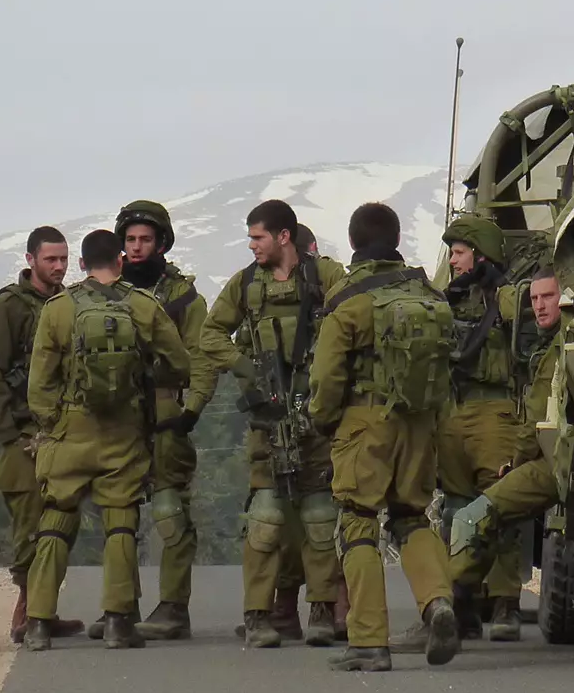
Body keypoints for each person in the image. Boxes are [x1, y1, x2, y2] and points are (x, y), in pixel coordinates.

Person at [308, 202, 460, 672]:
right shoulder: (430, 294)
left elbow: (327, 376)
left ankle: (369, 641)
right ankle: (437, 603)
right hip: (420, 422)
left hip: (365, 423)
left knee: (357, 521)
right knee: (412, 517)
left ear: (353, 244)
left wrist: (323, 420)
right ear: (396, 240)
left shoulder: (347, 298)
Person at [22, 228, 192, 650]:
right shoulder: (142, 305)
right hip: (124, 430)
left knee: (56, 520)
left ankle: (38, 623)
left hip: (70, 430)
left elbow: (39, 381)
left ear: (80, 264)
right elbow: (179, 363)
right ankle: (118, 621)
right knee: (120, 521)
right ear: (120, 260)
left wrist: (53, 425)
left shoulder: (58, 308)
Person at [196, 199, 346, 647]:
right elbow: (210, 335)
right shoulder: (245, 284)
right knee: (265, 518)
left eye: (258, 237)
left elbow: (356, 318)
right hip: (270, 417)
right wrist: (247, 370)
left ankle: (321, 608)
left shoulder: (326, 276)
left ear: (283, 236)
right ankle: (258, 613)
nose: (251, 245)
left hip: (316, 415)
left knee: (320, 515)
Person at [426, 211, 529, 644]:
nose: (452, 261)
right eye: (451, 252)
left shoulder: (506, 299)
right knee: (454, 511)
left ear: (481, 256)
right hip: (453, 410)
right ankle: (462, 603)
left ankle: (505, 603)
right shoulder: (443, 301)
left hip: (495, 412)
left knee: (500, 509)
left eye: (460, 252)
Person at [112, 199, 213, 642]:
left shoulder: (184, 296)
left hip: (166, 411)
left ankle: (174, 606)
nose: (136, 248)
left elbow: (200, 356)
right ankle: (120, 607)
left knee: (170, 511)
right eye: (130, 240)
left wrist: (188, 409)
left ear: (162, 242)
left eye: (145, 240)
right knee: (120, 513)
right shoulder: (104, 291)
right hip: (115, 416)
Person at [0, 226, 82, 642]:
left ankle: (46, 607)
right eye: (49, 260)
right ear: (30, 260)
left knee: (62, 519)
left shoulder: (70, 304)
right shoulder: (10, 307)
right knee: (29, 522)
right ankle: (25, 610)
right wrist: (8, 434)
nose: (58, 267)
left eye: (63, 259)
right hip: (23, 432)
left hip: (60, 430)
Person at [451, 269, 567, 566]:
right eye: (535, 298)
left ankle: (449, 597)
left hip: (556, 461)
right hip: (562, 458)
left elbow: (537, 417)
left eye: (548, 297)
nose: (539, 306)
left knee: (470, 519)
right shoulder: (557, 341)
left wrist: (516, 463)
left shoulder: (561, 345)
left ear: (565, 298)